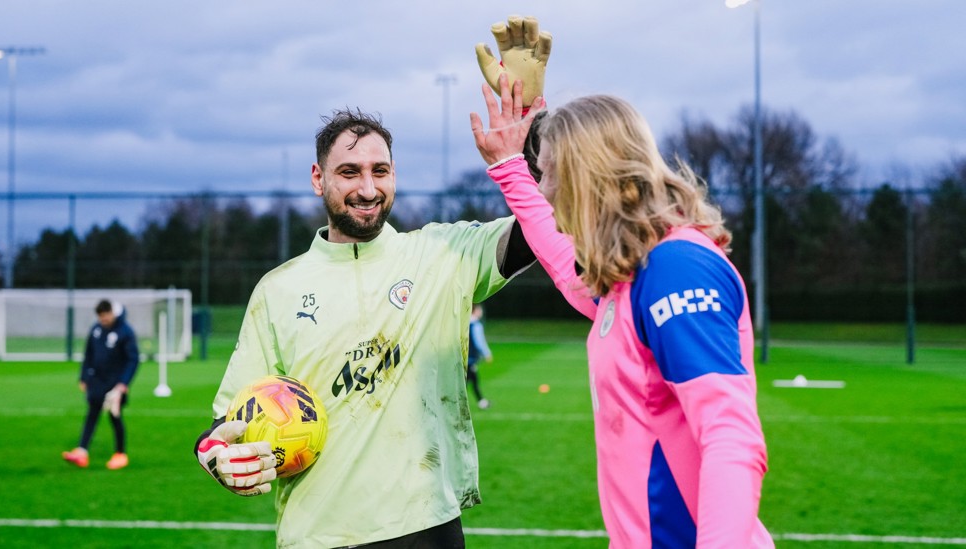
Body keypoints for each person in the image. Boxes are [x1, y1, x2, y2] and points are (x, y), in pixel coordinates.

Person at [194, 17, 548, 547]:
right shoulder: (278, 290)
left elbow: (540, 228)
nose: (367, 187)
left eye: (380, 171)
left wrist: (531, 132)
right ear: (318, 179)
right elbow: (229, 421)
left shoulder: (442, 254)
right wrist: (216, 453)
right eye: (349, 172)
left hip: (427, 527)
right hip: (317, 535)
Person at [471, 76, 775, 547]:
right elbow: (561, 262)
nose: (545, 188)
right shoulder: (628, 276)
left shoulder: (676, 268)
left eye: (549, 172)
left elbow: (731, 436)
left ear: (586, 175)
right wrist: (510, 167)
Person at [62, 299, 139, 470]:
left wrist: (123, 384)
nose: (103, 319)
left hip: (115, 385)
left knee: (115, 417)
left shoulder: (125, 332)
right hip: (96, 382)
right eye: (100, 316)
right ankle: (82, 452)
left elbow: (133, 360)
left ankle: (120, 454)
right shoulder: (96, 329)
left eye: (106, 316)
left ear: (113, 313)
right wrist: (83, 377)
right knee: (91, 415)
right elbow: (88, 353)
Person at [466, 303, 492, 409]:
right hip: (471, 358)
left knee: (470, 381)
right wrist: (487, 354)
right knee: (471, 381)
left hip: (464, 357)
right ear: (475, 311)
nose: (481, 312)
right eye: (479, 310)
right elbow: (479, 342)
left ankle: (481, 401)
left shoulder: (465, 323)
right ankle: (481, 402)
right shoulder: (476, 325)